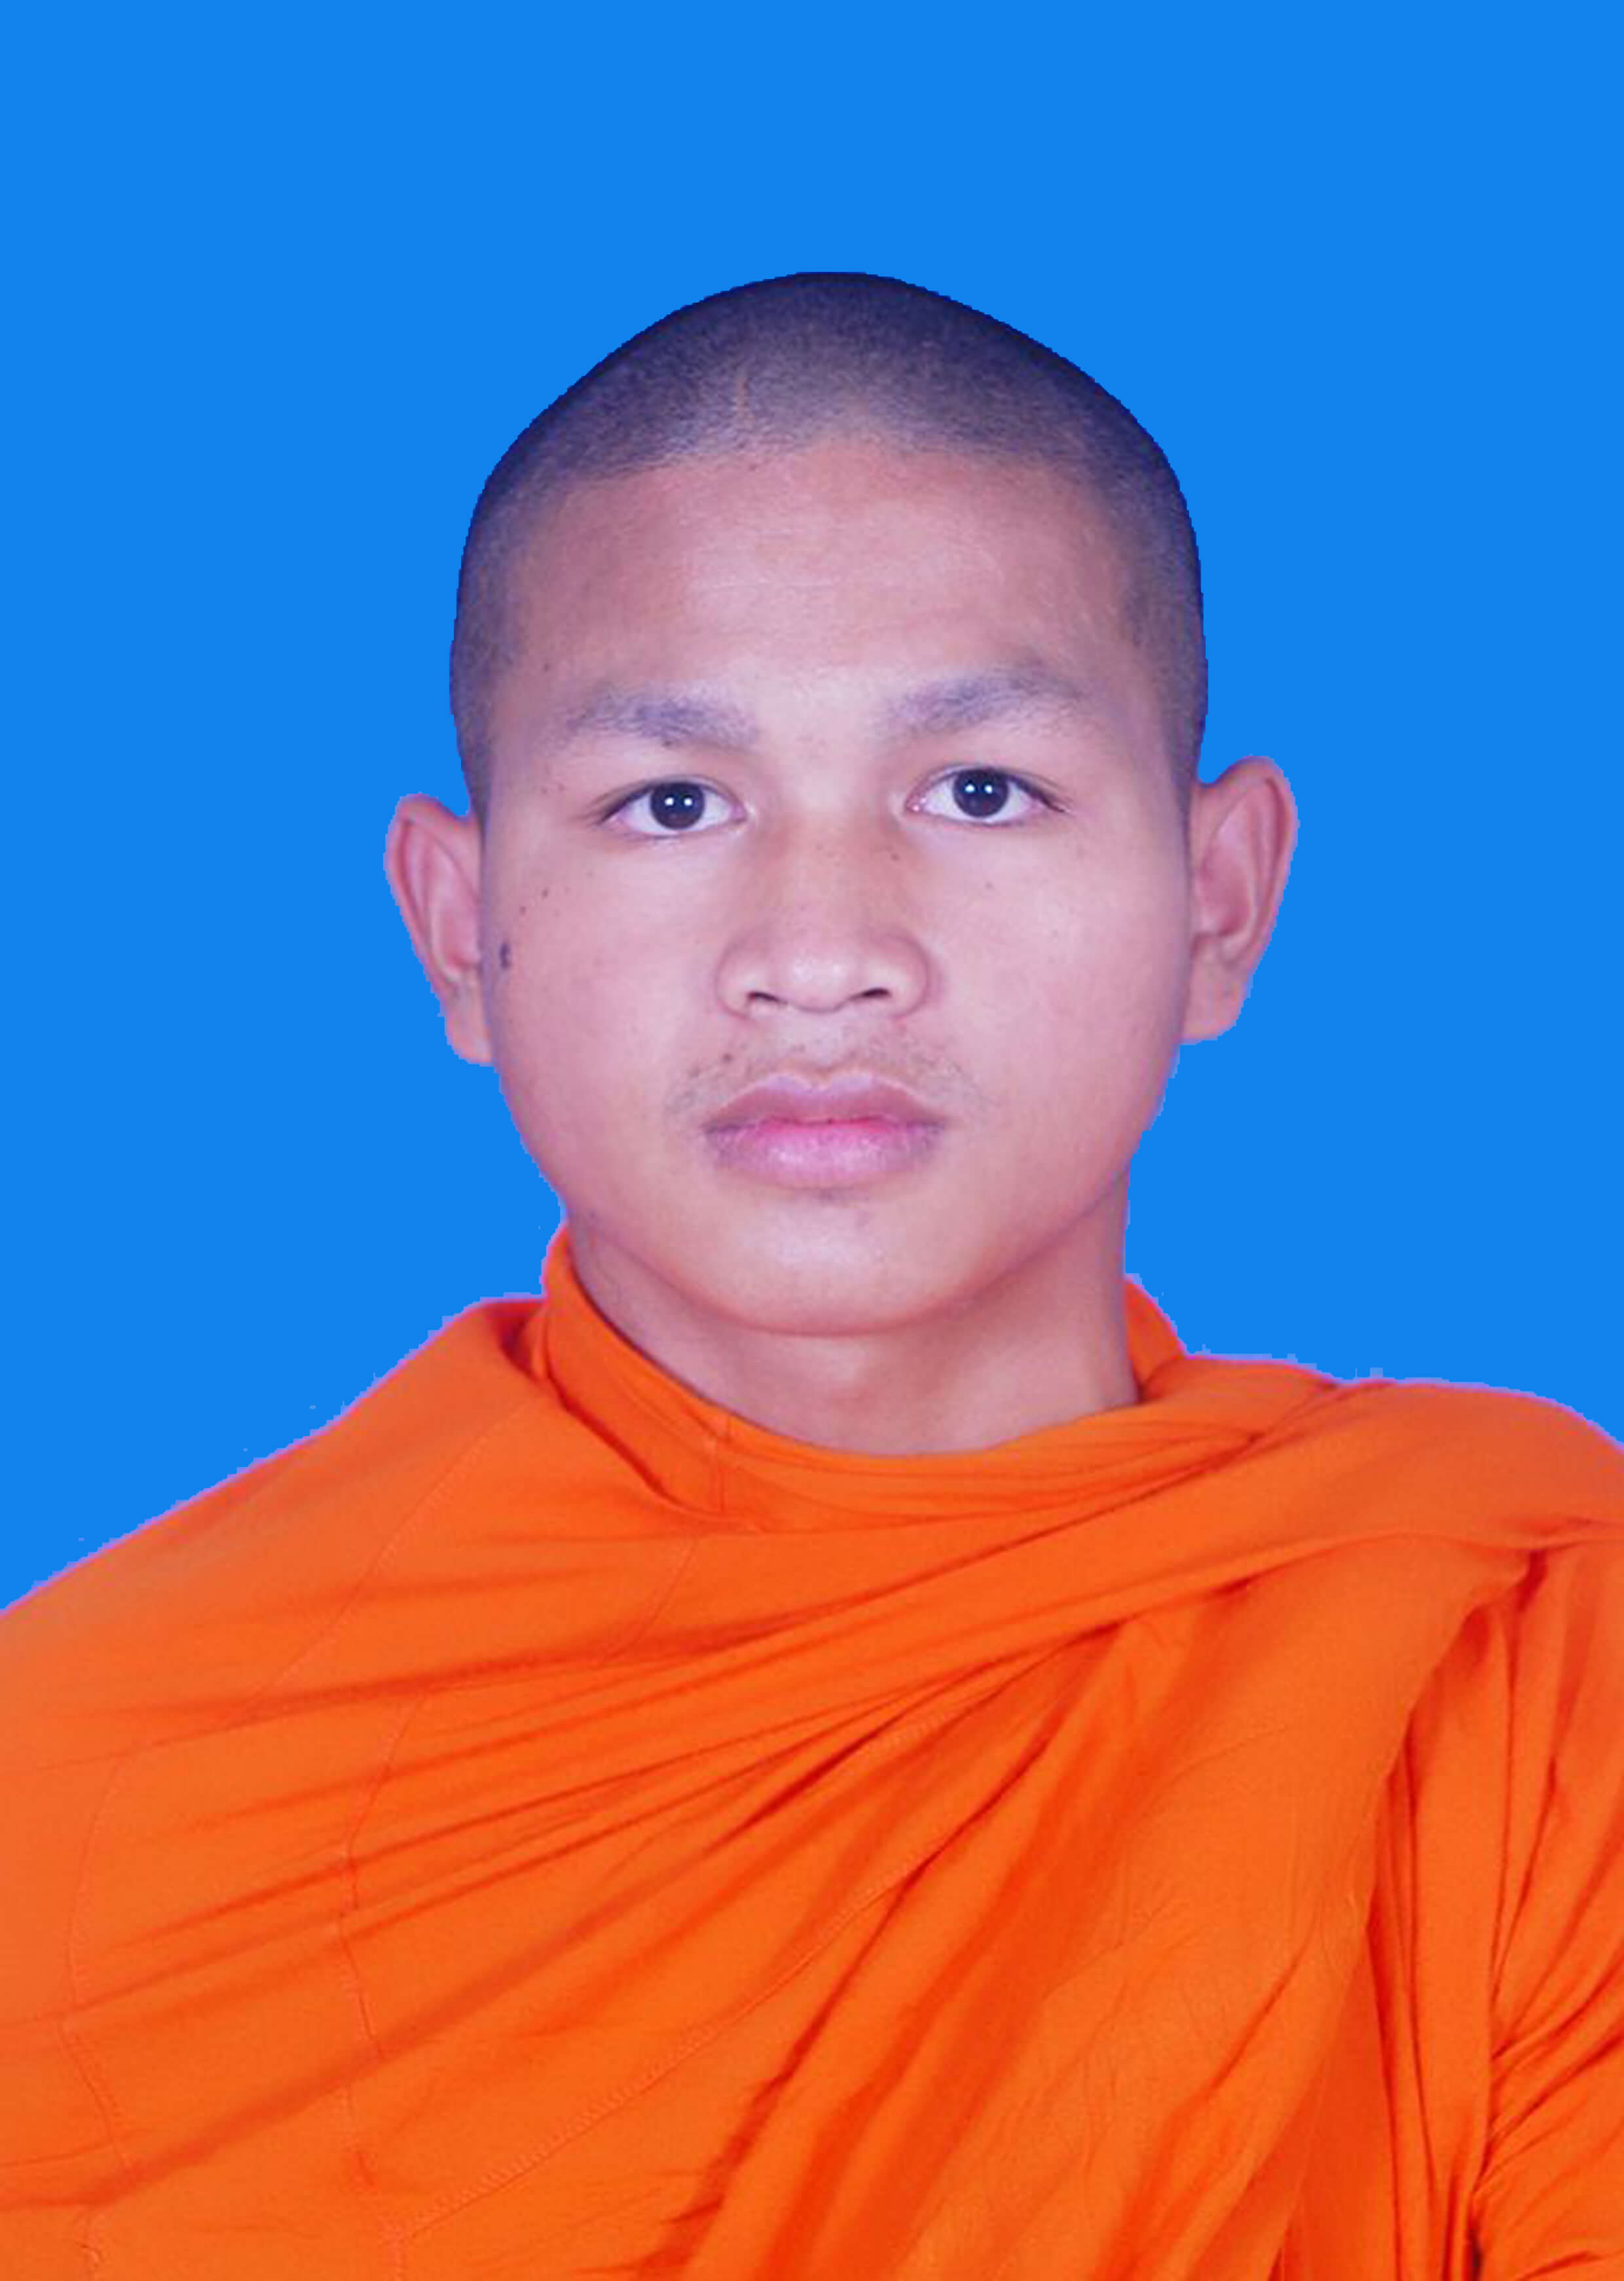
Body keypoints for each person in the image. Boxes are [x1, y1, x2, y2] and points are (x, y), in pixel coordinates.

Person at [2, 272, 1620, 2279]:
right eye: (673, 803)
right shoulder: (84, 1786)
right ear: (455, 926)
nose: (825, 952)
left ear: (1220, 901)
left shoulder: (1522, 1656)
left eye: (980, 790)